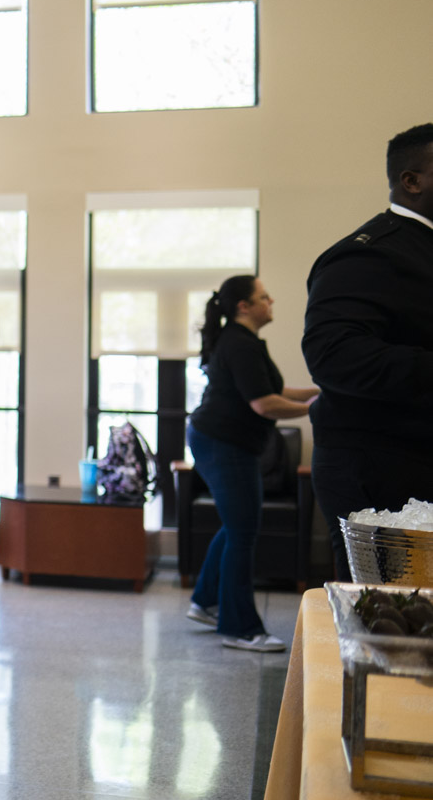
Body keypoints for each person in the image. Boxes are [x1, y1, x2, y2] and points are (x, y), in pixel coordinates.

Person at [303, 123, 433, 581]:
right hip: (381, 468)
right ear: (411, 181)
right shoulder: (370, 255)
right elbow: (335, 356)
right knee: (389, 623)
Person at [184, 276, 316, 652]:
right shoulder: (238, 345)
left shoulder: (243, 343)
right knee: (243, 531)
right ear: (244, 306)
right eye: (263, 297)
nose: (271, 300)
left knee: (236, 525)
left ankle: (206, 600)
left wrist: (319, 392)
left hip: (223, 442)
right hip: (222, 444)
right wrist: (316, 410)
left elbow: (271, 391)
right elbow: (264, 405)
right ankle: (240, 628)